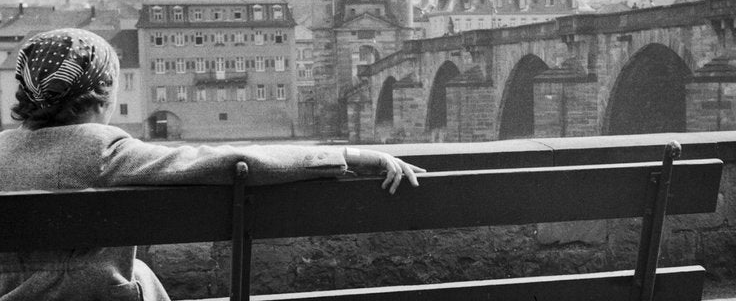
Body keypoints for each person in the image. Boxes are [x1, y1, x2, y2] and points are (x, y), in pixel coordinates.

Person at [0, 28, 424, 301]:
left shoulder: (2, 150)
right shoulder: (102, 149)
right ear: (103, 95)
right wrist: (346, 156)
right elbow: (229, 163)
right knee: (140, 277)